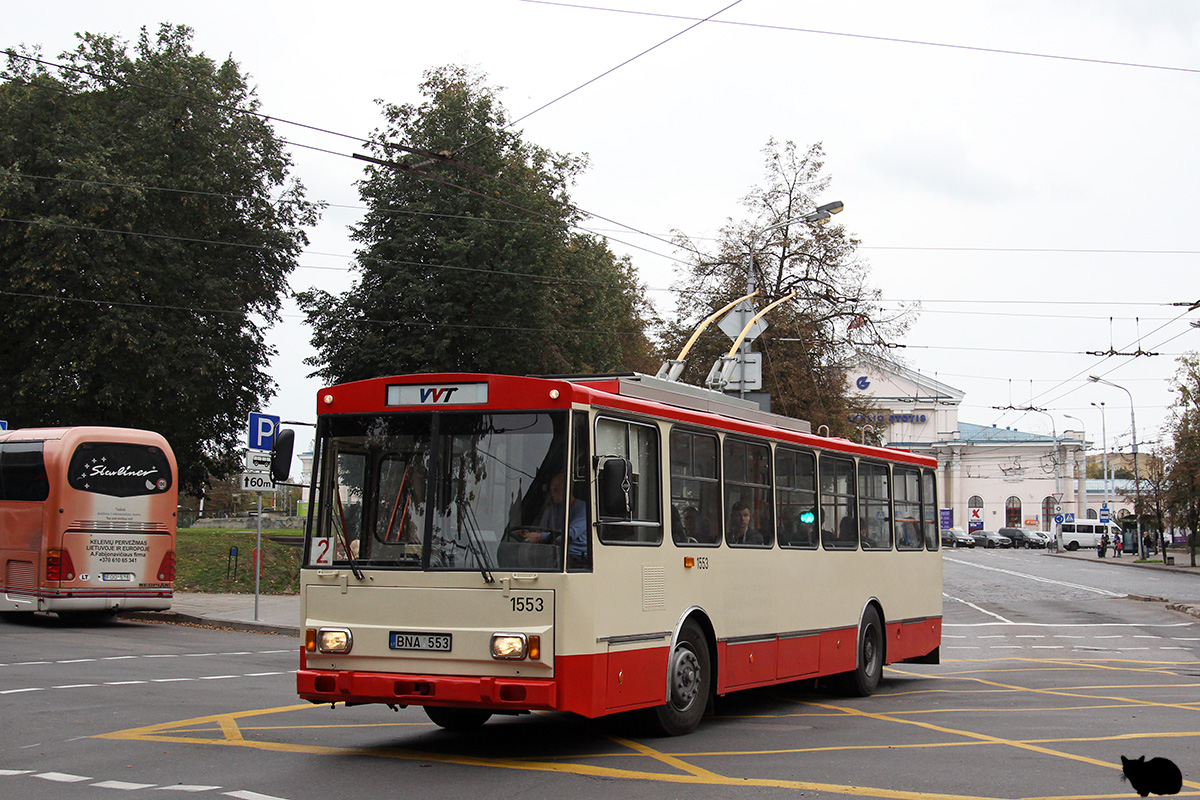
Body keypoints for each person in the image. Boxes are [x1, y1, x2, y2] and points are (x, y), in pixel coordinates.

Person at [515, 473, 587, 564]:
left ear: (568, 488)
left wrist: (540, 537)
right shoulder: (553, 509)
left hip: (575, 557)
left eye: (556, 490)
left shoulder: (583, 509)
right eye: (551, 490)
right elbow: (545, 531)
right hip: (554, 553)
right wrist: (529, 534)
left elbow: (569, 534)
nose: (552, 494)